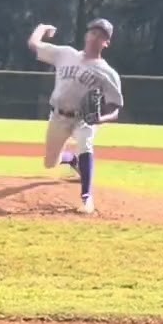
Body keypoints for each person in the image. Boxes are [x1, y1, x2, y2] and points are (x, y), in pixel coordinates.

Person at [28, 18, 123, 214]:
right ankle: (71, 160)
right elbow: (33, 45)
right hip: (58, 117)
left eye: (102, 35)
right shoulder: (65, 54)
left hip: (83, 119)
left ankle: (86, 198)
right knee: (50, 163)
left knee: (85, 144)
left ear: (106, 43)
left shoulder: (107, 72)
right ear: (87, 35)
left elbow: (115, 108)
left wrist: (100, 119)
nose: (96, 36)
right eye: (93, 32)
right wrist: (42, 28)